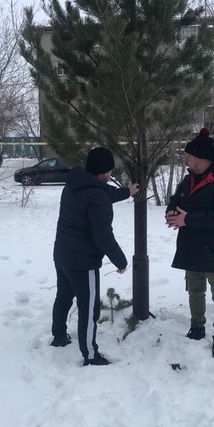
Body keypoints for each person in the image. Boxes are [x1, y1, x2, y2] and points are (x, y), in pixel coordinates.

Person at [51, 146, 139, 366]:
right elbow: (103, 237)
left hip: (62, 255)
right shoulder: (97, 196)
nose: (111, 175)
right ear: (103, 173)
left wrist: (128, 191)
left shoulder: (75, 184)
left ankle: (59, 336)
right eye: (109, 171)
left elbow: (103, 194)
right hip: (83, 262)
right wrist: (120, 261)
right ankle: (90, 355)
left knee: (63, 296)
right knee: (89, 309)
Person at [166, 128, 214, 358]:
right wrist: (172, 212)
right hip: (192, 247)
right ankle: (197, 327)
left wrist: (187, 219)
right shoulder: (189, 178)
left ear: (198, 158)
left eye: (187, 156)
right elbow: (177, 200)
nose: (185, 160)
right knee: (195, 291)